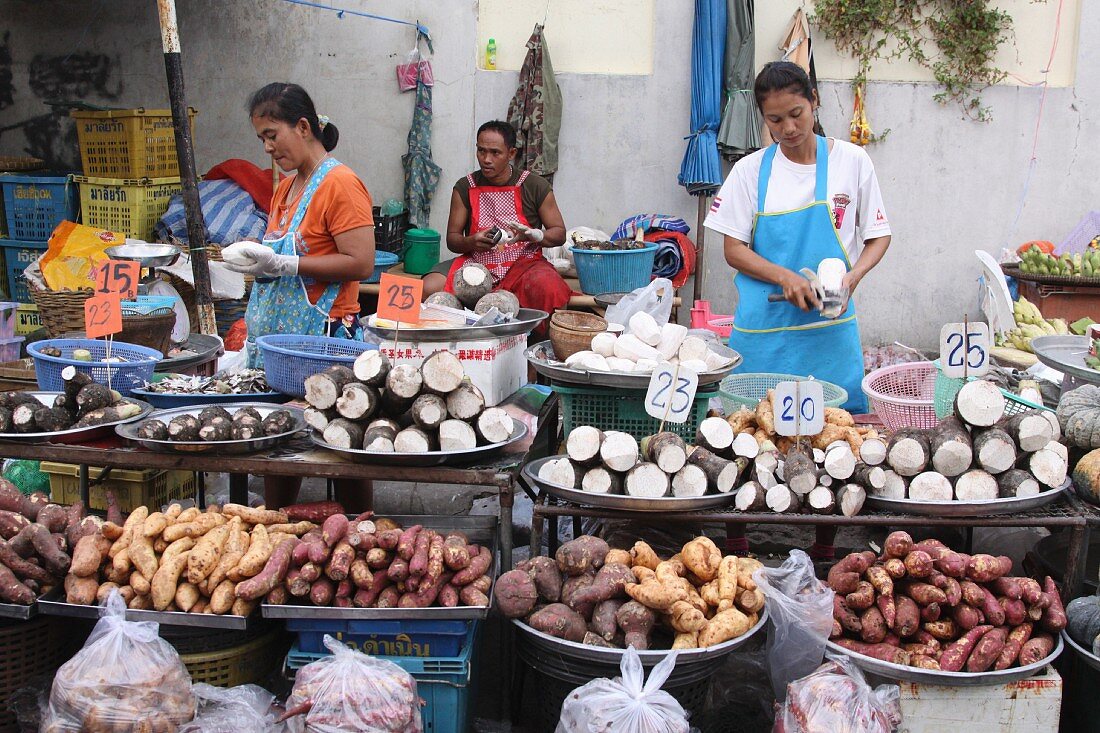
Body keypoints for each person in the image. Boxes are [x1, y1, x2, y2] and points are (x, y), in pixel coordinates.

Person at [704, 61, 891, 560]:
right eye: (775, 121)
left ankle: (825, 548)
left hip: (828, 333)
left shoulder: (852, 163)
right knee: (750, 438)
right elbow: (733, 250)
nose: (788, 129)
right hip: (765, 332)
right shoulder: (750, 171)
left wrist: (850, 279)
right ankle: (739, 548)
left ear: (814, 101)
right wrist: (784, 277)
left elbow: (878, 236)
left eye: (796, 114)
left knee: (833, 443)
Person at [224, 82, 376, 510]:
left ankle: (360, 531)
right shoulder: (286, 189)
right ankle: (273, 528)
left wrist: (287, 265)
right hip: (281, 346)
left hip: (327, 339)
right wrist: (256, 262)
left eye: (273, 135)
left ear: (303, 126)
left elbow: (361, 262)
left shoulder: (341, 184)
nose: (268, 148)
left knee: (342, 447)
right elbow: (280, 253)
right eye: (262, 139)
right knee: (280, 446)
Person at [422, 120, 571, 329]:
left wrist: (535, 235)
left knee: (549, 288)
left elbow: (559, 233)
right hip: (476, 261)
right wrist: (472, 241)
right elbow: (453, 240)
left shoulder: (534, 185)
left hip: (523, 262)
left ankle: (536, 348)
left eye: (495, 153)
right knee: (428, 286)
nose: (486, 159)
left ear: (511, 154)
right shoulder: (465, 186)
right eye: (481, 151)